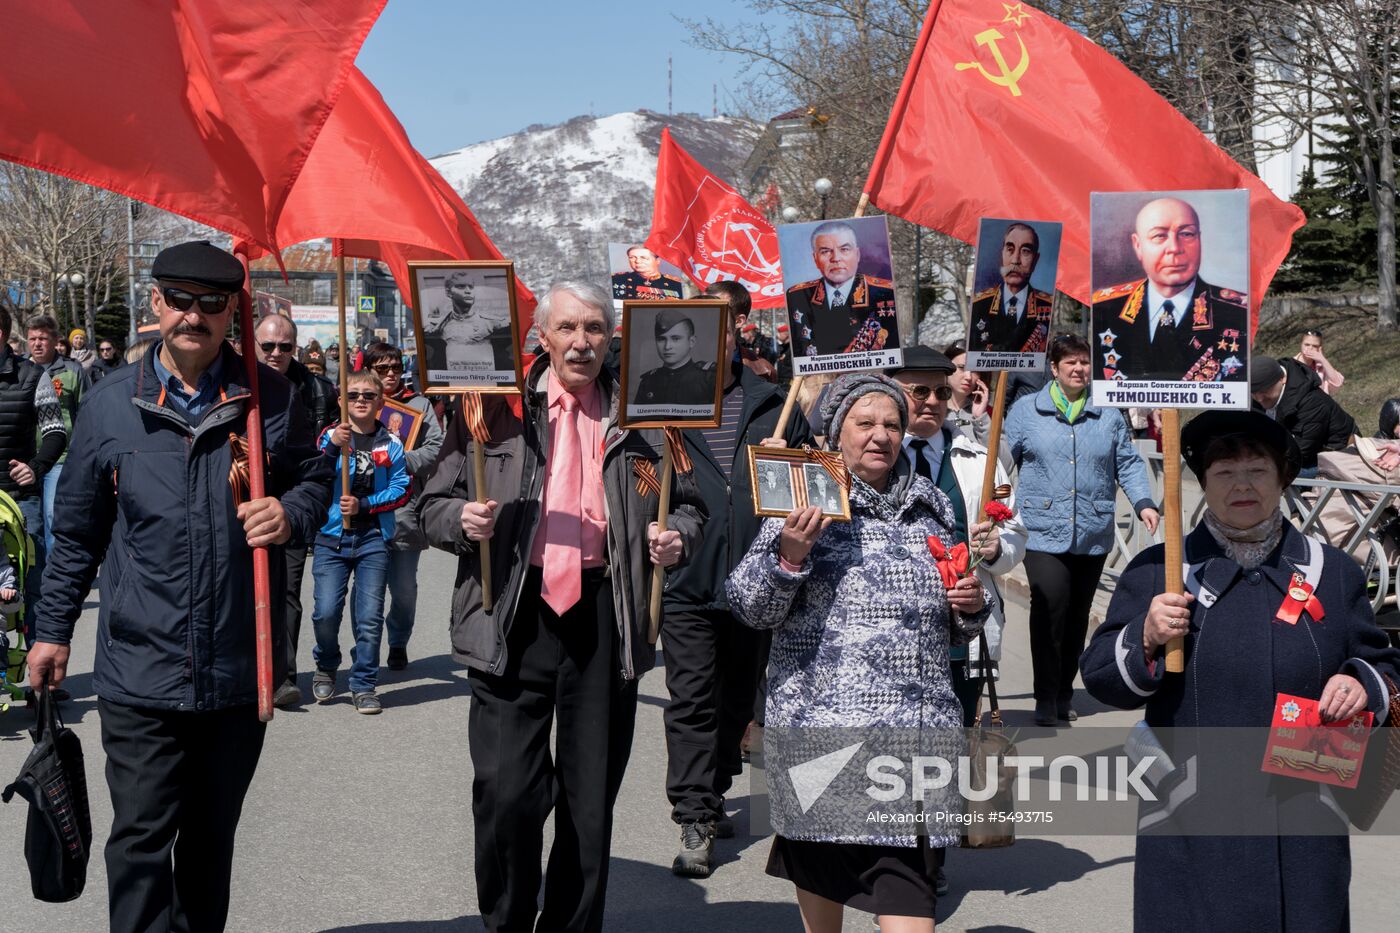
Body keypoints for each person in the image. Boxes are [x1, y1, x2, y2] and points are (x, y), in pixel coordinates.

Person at [26, 240, 331, 933]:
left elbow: (316, 480)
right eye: (181, 300)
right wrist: (51, 631)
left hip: (236, 666)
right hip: (140, 668)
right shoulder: (108, 407)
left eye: (212, 303)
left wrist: (290, 512)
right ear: (156, 304)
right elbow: (75, 534)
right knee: (138, 841)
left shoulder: (273, 398)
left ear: (232, 312)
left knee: (208, 843)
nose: (195, 316)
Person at [417, 280, 705, 933]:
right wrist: (461, 518)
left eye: (595, 329)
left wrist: (677, 535)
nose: (582, 342)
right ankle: (509, 917)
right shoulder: (493, 411)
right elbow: (428, 505)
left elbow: (688, 504)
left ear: (612, 339)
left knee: (588, 800)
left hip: (606, 614)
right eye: (568, 328)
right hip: (511, 611)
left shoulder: (647, 418)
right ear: (541, 338)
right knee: (506, 793)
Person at [1080, 410, 1399, 933]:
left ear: (1283, 480)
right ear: (1202, 484)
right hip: (1191, 813)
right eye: (1225, 472)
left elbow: (1384, 663)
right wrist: (1147, 634)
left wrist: (1359, 682)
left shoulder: (1332, 573)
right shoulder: (1160, 571)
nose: (1242, 484)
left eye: (1258, 470)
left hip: (1305, 813)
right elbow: (1099, 677)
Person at [726, 373, 989, 932]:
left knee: (913, 913)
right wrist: (789, 556)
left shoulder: (933, 504)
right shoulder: (807, 496)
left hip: (912, 749)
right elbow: (750, 607)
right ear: (835, 434)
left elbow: (957, 625)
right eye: (864, 423)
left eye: (892, 424)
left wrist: (968, 603)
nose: (880, 435)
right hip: (827, 743)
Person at [659, 297, 812, 878]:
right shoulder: (666, 403)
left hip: (756, 579)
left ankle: (716, 787)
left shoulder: (775, 401)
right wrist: (661, 516)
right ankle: (694, 816)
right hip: (688, 579)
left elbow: (816, 481)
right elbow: (648, 470)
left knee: (737, 702)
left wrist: (790, 462)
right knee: (691, 700)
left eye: (723, 330)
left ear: (737, 337)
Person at [1004, 333, 1160, 726]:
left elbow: (1126, 461)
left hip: (1092, 529)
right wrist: (992, 504)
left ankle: (1063, 692)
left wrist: (1144, 502)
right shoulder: (1026, 411)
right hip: (1040, 527)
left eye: (1085, 363)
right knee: (1049, 605)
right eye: (1070, 362)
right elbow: (1003, 461)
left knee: (1076, 617)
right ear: (1054, 369)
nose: (1079, 369)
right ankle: (1044, 695)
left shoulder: (1107, 412)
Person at [309, 369, 409, 713]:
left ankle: (364, 683)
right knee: (325, 612)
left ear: (381, 402)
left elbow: (401, 490)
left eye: (369, 395)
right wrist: (332, 448)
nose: (361, 401)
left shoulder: (390, 443)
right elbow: (312, 475)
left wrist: (364, 504)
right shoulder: (330, 437)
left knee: (368, 618)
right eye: (353, 396)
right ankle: (326, 663)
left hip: (372, 539)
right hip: (331, 537)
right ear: (341, 401)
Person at [254, 312, 339, 707]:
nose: (275, 353)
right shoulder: (239, 383)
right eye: (267, 346)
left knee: (286, 589)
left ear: (297, 348)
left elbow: (334, 449)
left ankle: (284, 676)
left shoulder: (318, 390)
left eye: (284, 347)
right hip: (243, 503)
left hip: (292, 506)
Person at [1090, 197, 1249, 383]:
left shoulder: (1235, 312)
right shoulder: (1106, 307)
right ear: (1138, 245)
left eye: (1187, 234)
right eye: (1159, 236)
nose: (1174, 248)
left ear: (1199, 239)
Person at [362, 341, 445, 670]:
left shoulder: (418, 405)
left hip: (405, 508)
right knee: (368, 589)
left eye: (395, 368)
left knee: (404, 588)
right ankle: (366, 654)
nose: (391, 374)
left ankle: (398, 640)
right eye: (382, 369)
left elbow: (436, 448)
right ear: (369, 370)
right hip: (366, 507)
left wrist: (398, 461)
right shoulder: (359, 400)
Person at [26, 314, 89, 558]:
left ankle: (55, 578)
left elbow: (86, 413)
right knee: (31, 521)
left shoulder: (72, 371)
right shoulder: (21, 370)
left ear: (55, 341)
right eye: (32, 338)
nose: (37, 343)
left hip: (61, 458)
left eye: (43, 338)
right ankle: (35, 582)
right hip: (27, 458)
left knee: (53, 515)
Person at [786, 221, 897, 357]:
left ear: (857, 255)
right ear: (815, 259)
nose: (836, 258)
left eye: (844, 249)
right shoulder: (798, 296)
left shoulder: (884, 293)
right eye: (825, 251)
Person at [1249, 355, 1357, 477]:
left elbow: (1300, 454)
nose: (1259, 398)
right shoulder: (1259, 396)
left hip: (1333, 457)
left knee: (1269, 476)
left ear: (1282, 378)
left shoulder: (1312, 403)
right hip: (1292, 454)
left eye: (1264, 391)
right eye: (1253, 392)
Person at [968, 222, 1053, 354]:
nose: (1015, 260)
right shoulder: (979, 304)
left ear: (1035, 260)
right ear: (1002, 254)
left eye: (1025, 251)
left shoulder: (1048, 305)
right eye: (1010, 249)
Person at [634, 309, 718, 408]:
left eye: (675, 339)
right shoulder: (648, 381)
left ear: (692, 341)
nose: (667, 346)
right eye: (661, 339)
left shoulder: (709, 377)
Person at [611, 245, 683, 301]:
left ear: (657, 261)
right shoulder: (616, 279)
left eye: (643, 257)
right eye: (632, 257)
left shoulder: (676, 284)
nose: (637, 261)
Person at [1295, 328, 1344, 395]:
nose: (1310, 348)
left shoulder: (1322, 367)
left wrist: (1323, 360)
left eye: (1315, 346)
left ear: (1319, 348)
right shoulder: (1291, 365)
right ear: (1301, 345)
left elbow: (1337, 383)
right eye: (1307, 345)